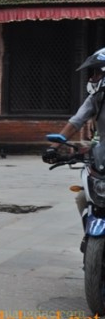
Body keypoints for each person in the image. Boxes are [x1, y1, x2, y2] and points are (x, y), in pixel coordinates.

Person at [42, 47, 105, 251]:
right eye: (93, 74)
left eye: (97, 73)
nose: (93, 78)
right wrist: (54, 147)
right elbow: (76, 122)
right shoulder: (96, 99)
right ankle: (89, 235)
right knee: (82, 197)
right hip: (103, 159)